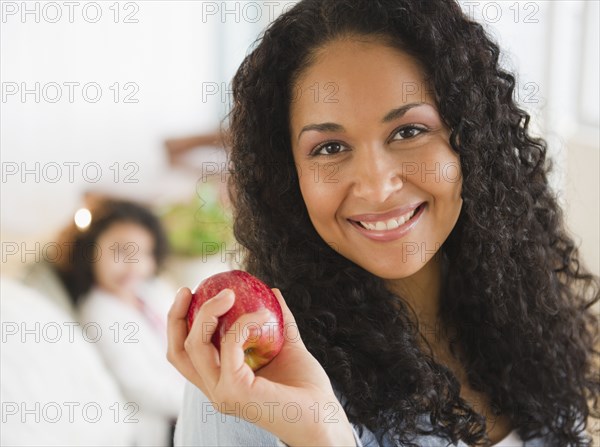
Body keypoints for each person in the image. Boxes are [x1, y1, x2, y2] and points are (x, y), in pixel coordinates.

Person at [166, 1, 600, 446]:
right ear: (289, 176)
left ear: (471, 141)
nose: (376, 187)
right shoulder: (248, 379)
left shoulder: (523, 310)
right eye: (330, 148)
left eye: (409, 132)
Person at [56, 197, 184, 447]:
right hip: (161, 425)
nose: (132, 265)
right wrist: (206, 399)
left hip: (191, 398)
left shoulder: (152, 290)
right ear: (90, 250)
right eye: (119, 251)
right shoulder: (97, 311)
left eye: (143, 253)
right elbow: (140, 388)